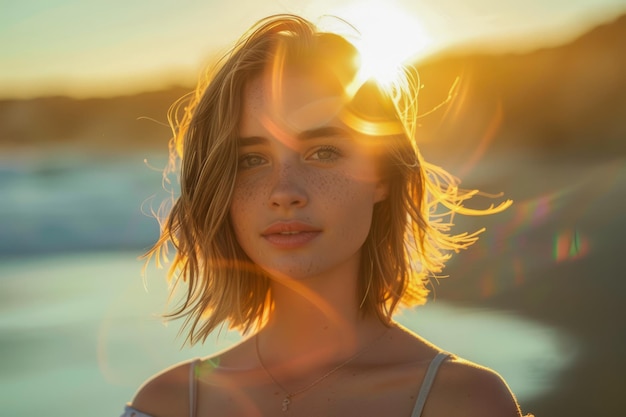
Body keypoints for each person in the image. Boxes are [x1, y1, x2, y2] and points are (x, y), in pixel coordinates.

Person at [121, 14, 531, 417]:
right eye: (251, 159)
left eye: (323, 152)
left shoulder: (463, 403)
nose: (284, 192)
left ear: (381, 176)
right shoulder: (167, 406)